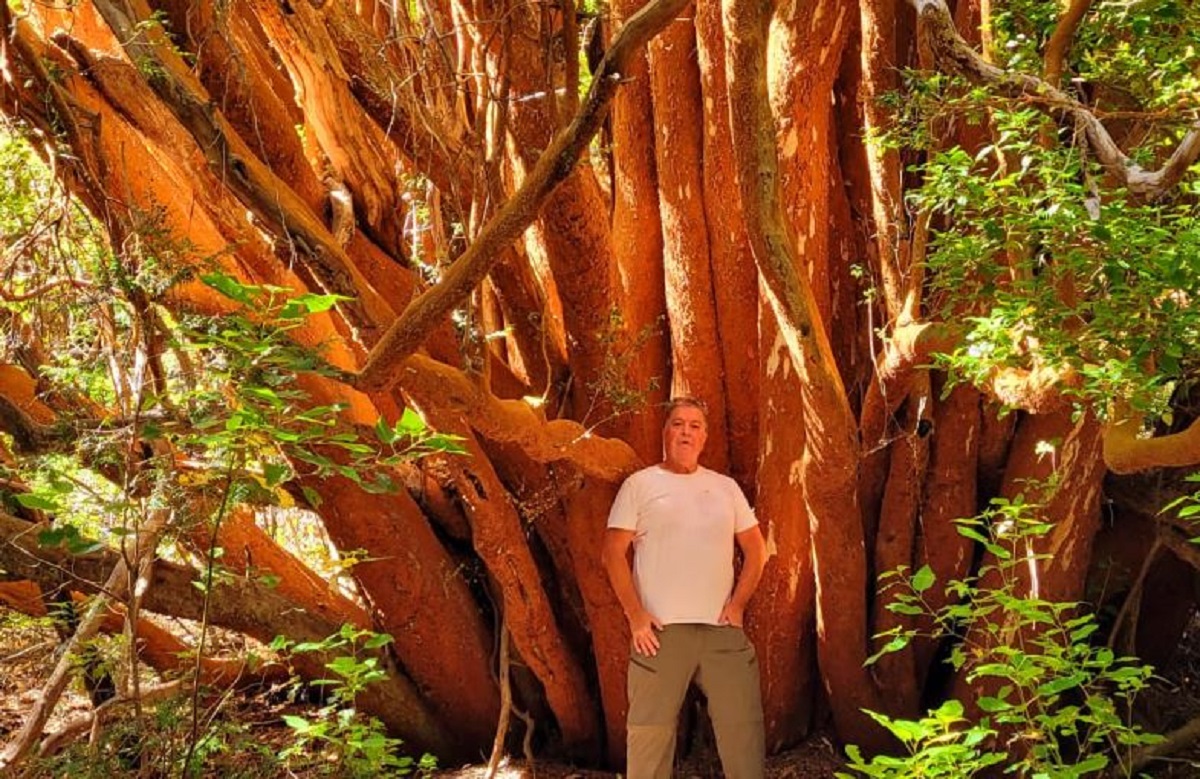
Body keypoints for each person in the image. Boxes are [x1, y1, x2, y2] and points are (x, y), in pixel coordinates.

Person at [602, 396, 768, 779]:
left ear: (705, 436)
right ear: (665, 432)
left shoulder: (725, 488)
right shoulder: (640, 485)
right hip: (659, 634)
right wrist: (636, 616)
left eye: (695, 425)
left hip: (722, 632)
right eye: (678, 424)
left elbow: (756, 550)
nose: (686, 432)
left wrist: (739, 603)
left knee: (743, 731)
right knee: (649, 736)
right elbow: (612, 553)